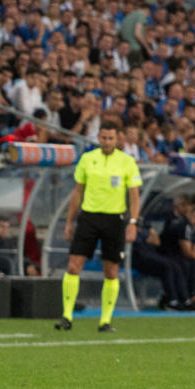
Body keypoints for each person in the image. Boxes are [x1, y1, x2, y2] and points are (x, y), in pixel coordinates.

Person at [56, 120, 142, 333]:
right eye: (103, 138)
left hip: (114, 220)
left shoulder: (127, 162)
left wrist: (133, 222)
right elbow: (77, 191)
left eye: (110, 138)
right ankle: (67, 316)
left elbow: (134, 195)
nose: (106, 142)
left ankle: (105, 320)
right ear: (98, 138)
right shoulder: (87, 159)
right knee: (73, 266)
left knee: (111, 271)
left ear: (117, 138)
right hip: (89, 218)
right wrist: (69, 221)